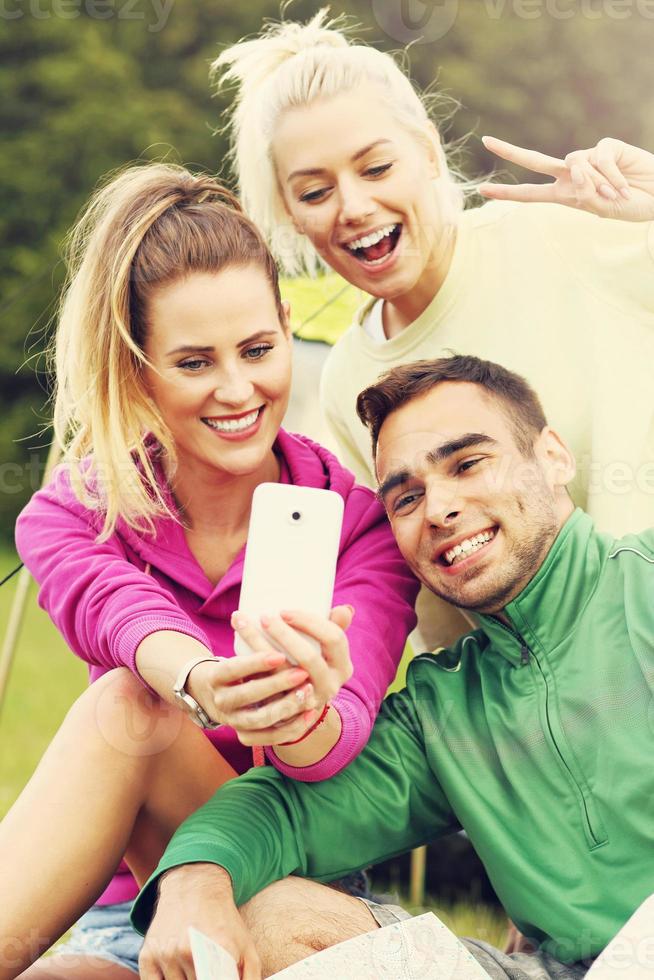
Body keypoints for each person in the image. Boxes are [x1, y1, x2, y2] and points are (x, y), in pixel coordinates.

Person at [0, 163, 418, 979]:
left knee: (132, 709)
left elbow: (329, 758)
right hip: (136, 913)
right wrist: (199, 679)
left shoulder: (359, 525)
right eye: (194, 363)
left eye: (259, 350)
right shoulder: (73, 513)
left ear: (287, 326)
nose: (238, 389)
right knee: (138, 700)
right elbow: (112, 607)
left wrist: (304, 709)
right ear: (137, 369)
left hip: (291, 887)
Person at [130, 354, 654, 980]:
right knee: (271, 916)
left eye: (468, 464)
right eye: (407, 497)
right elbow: (286, 813)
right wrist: (192, 880)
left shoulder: (641, 585)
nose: (438, 510)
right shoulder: (443, 709)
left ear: (553, 457)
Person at [212, 9, 654, 650]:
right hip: (573, 714)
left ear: (424, 150)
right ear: (290, 213)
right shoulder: (350, 381)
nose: (354, 207)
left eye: (375, 168)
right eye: (315, 192)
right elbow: (439, 604)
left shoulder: (564, 235)